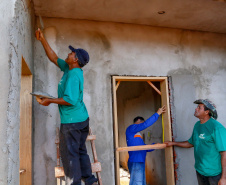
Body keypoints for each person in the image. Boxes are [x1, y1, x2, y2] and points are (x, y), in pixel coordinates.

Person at [35, 28, 98, 185]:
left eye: (71, 53)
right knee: (80, 150)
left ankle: (74, 183)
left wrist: (49, 101)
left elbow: (69, 100)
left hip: (72, 123)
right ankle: (89, 179)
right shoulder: (69, 69)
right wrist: (42, 39)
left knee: (70, 156)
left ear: (75, 59)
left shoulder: (73, 75)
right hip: (81, 119)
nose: (68, 54)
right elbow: (54, 58)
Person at [165, 99, 226, 185]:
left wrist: (224, 178)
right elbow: (192, 143)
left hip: (214, 174)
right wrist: (173, 143)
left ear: (206, 112)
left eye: (199, 107)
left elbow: (224, 153)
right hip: (200, 171)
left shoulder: (216, 128)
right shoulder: (197, 125)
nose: (196, 109)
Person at [126, 105, 166, 185]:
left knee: (141, 183)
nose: (143, 125)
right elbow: (145, 125)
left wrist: (155, 145)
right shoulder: (132, 128)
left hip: (140, 160)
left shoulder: (137, 135)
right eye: (142, 122)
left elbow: (144, 147)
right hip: (136, 160)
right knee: (137, 183)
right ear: (138, 120)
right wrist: (157, 113)